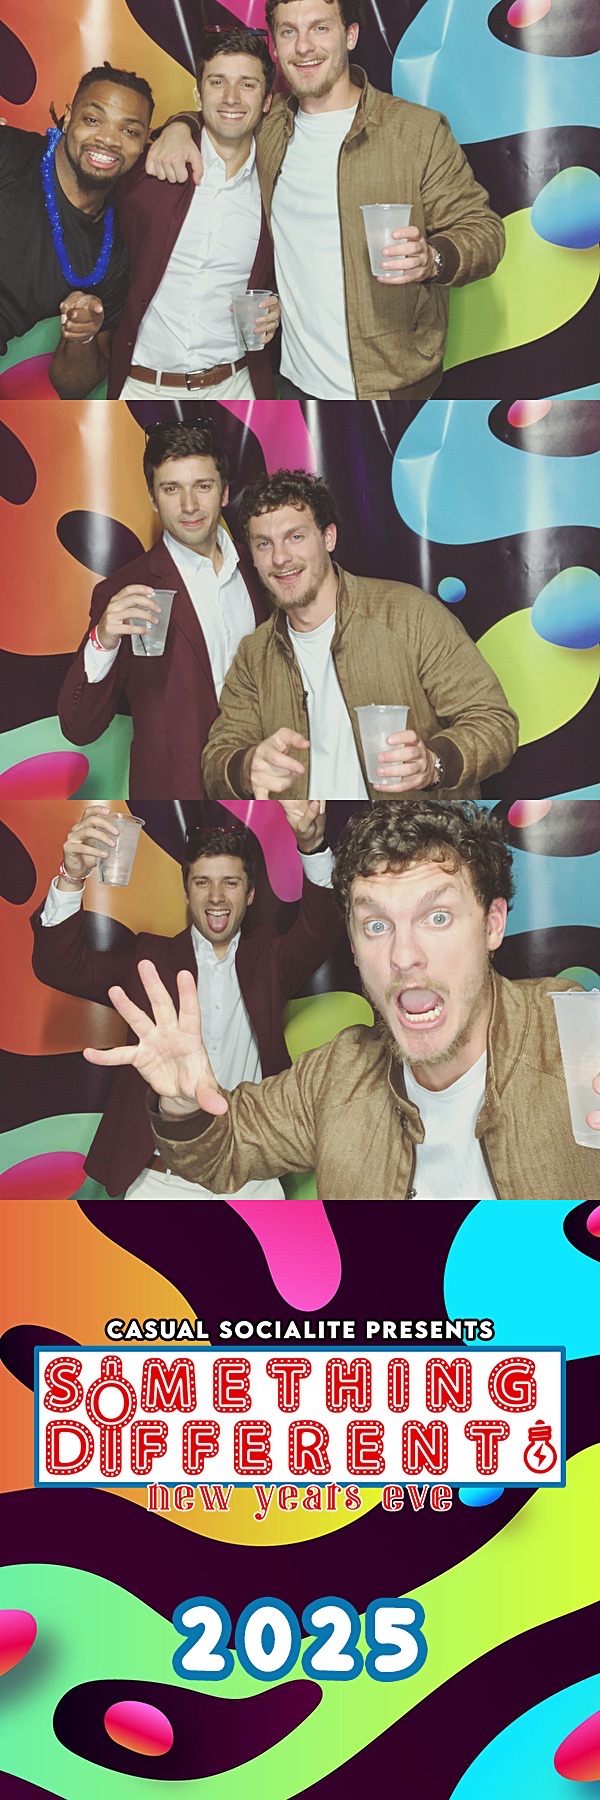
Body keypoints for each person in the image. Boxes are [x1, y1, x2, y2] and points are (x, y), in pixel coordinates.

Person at [82, 800, 600, 1202]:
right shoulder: (335, 1076)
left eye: (437, 917)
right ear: (353, 945)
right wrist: (181, 1105)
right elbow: (223, 1147)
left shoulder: (576, 1036)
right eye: (376, 925)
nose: (404, 955)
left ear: (492, 924)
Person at [148, 0, 505, 402]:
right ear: (275, 46)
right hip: (297, 384)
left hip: (393, 387)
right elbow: (225, 110)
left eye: (319, 28)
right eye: (288, 31)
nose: (303, 46)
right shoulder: (270, 127)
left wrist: (432, 259)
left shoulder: (416, 131)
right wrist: (180, 125)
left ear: (350, 35)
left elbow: (484, 231)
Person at [32, 801, 344, 1201]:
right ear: (186, 892)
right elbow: (60, 967)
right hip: (160, 1182)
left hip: (251, 1180)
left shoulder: (271, 958)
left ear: (250, 894)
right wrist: (72, 876)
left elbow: (324, 924)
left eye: (230, 883)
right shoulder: (149, 958)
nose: (216, 896)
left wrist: (313, 844)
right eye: (202, 882)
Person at [200, 470, 518, 801]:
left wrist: (433, 764)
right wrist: (246, 767)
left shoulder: (410, 615)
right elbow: (216, 759)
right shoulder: (254, 655)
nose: (280, 558)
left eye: (295, 537)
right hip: (314, 830)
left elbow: (493, 722)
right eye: (264, 544)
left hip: (412, 828)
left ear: (328, 538)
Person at [56, 421, 269, 797]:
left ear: (224, 492)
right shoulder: (124, 592)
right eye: (172, 489)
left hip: (264, 784)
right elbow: (79, 727)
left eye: (202, 486)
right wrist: (103, 640)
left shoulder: (261, 569)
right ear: (153, 499)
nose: (189, 505)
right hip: (179, 794)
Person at [108, 29, 280, 401]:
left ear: (267, 100)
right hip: (142, 387)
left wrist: (277, 305)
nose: (231, 97)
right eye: (217, 82)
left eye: (247, 84)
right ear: (199, 95)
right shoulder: (151, 170)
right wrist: (177, 126)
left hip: (237, 387)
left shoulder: (277, 187)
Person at [0, 63, 153, 397]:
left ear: (145, 143)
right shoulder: (9, 154)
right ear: (69, 118)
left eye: (129, 131)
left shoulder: (111, 255)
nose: (109, 139)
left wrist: (82, 335)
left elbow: (73, 385)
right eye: (93, 120)